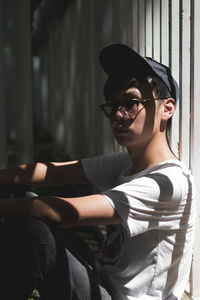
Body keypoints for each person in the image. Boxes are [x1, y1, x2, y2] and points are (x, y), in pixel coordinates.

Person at [0, 43, 195, 300]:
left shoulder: (168, 183)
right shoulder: (125, 163)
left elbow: (61, 214)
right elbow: (51, 172)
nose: (118, 114)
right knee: (22, 197)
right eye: (113, 105)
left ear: (167, 108)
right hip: (102, 281)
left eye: (131, 102)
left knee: (36, 232)